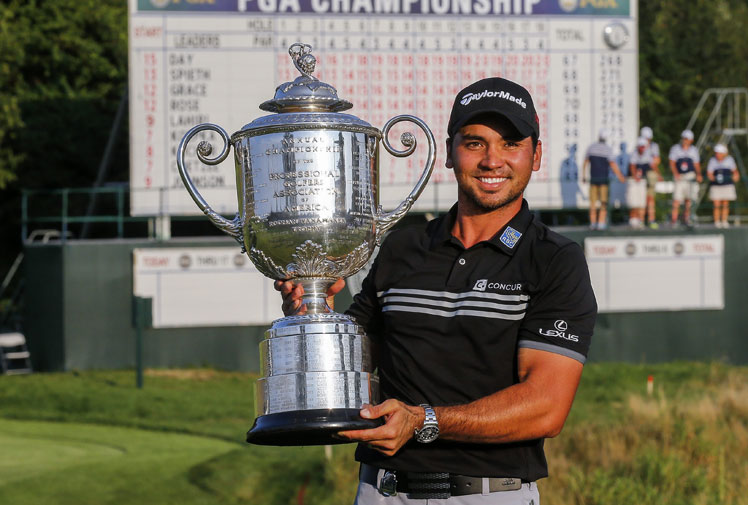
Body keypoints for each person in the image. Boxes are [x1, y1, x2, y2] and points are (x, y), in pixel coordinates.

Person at [276, 77, 597, 504]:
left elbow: (546, 406)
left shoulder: (555, 259)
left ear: (535, 156)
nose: (492, 161)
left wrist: (424, 420)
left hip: (488, 495)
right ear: (449, 153)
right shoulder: (403, 247)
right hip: (381, 490)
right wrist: (316, 314)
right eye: (475, 143)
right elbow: (357, 362)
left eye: (510, 144)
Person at [582, 129, 625, 230]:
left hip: (593, 180)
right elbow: (613, 164)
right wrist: (620, 176)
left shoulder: (591, 147)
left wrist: (583, 176)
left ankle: (593, 223)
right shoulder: (608, 149)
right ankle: (601, 223)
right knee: (603, 202)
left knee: (592, 203)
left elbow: (585, 162)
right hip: (604, 181)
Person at [707, 143, 740, 228]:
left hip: (727, 184)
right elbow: (709, 173)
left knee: (725, 203)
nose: (717, 154)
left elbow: (735, 172)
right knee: (716, 203)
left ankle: (724, 221)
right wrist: (714, 178)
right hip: (716, 185)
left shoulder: (730, 160)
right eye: (716, 152)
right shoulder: (712, 160)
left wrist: (735, 176)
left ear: (723, 153)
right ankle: (717, 222)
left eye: (719, 152)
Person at [639, 126, 664, 228]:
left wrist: (657, 173)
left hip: (650, 173)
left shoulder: (654, 146)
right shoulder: (639, 145)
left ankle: (651, 219)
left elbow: (656, 161)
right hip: (641, 173)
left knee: (650, 198)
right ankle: (640, 220)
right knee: (641, 198)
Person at [626, 137, 651, 228]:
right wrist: (635, 176)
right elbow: (632, 166)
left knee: (641, 202)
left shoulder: (647, 155)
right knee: (633, 202)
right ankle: (633, 220)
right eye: (641, 147)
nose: (642, 148)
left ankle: (641, 220)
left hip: (642, 181)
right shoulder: (633, 154)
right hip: (633, 181)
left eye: (643, 147)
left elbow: (650, 167)